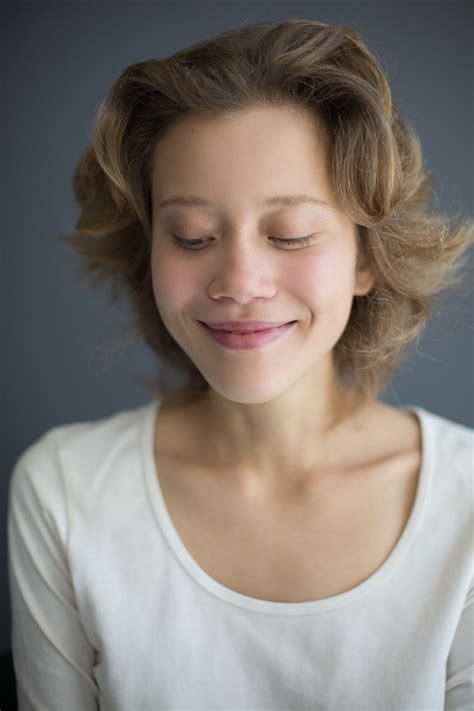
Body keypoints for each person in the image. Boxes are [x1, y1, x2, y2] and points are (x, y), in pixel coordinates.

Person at [7, 18, 474, 711]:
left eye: (289, 234)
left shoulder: (463, 506)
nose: (239, 280)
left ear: (368, 256)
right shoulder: (64, 495)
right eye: (193, 236)